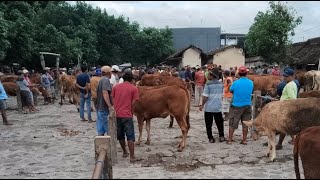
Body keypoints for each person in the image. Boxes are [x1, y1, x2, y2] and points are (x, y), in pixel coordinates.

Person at [112, 69, 141, 162]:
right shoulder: (134, 88)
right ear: (132, 79)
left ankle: (124, 152)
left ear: (123, 78)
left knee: (120, 135)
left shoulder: (116, 87)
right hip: (127, 115)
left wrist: (116, 107)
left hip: (117, 114)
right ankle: (132, 157)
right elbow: (134, 102)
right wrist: (130, 110)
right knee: (130, 136)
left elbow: (113, 99)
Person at [226, 66, 254, 145]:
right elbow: (251, 90)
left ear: (238, 73)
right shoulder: (251, 82)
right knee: (245, 123)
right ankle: (244, 140)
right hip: (247, 105)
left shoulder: (235, 83)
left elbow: (231, 91)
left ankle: (230, 140)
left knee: (232, 123)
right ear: (246, 73)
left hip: (236, 105)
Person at [199, 68, 225, 143]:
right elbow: (222, 95)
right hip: (218, 107)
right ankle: (221, 136)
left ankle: (210, 137)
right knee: (219, 123)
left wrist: (202, 105)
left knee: (208, 124)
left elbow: (205, 97)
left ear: (212, 75)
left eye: (209, 74)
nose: (208, 76)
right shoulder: (221, 84)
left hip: (209, 108)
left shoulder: (208, 84)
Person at [276, 68, 298, 150]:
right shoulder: (293, 84)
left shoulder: (289, 85)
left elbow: (292, 99)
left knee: (283, 127)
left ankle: (279, 144)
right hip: (287, 107)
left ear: (292, 76)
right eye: (284, 76)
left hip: (286, 108)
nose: (285, 78)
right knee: (287, 126)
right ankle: (293, 140)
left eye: (287, 76)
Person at [95, 66, 113, 136]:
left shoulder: (101, 79)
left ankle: (101, 143)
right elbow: (105, 93)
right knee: (108, 128)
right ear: (108, 73)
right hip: (104, 108)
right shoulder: (106, 80)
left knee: (100, 129)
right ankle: (110, 143)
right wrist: (110, 106)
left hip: (99, 107)